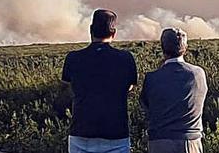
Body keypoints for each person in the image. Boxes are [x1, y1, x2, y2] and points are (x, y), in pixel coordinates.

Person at [61, 9, 138, 153]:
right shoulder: (126, 59)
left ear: (90, 30)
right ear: (114, 33)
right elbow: (129, 87)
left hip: (81, 134)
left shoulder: (73, 58)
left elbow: (68, 86)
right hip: (116, 134)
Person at [140, 28, 207, 153]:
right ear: (185, 48)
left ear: (162, 48)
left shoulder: (152, 77)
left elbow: (146, 106)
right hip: (189, 141)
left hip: (159, 142)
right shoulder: (197, 74)